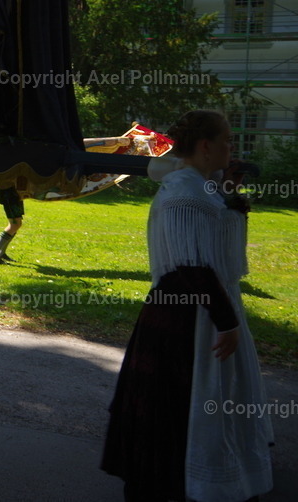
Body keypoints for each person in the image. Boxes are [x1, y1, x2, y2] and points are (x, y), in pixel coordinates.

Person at [101, 110, 273, 502]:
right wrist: (227, 322)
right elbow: (190, 267)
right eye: (227, 140)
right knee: (180, 407)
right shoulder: (184, 191)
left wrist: (229, 196)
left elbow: (218, 250)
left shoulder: (201, 185)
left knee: (212, 403)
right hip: (186, 318)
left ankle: (209, 479)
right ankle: (172, 483)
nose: (233, 147)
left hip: (205, 309)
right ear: (206, 146)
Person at [0, 185, 23, 264]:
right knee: (14, 225)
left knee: (18, 224)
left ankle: (1, 253)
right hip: (9, 196)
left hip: (14, 195)